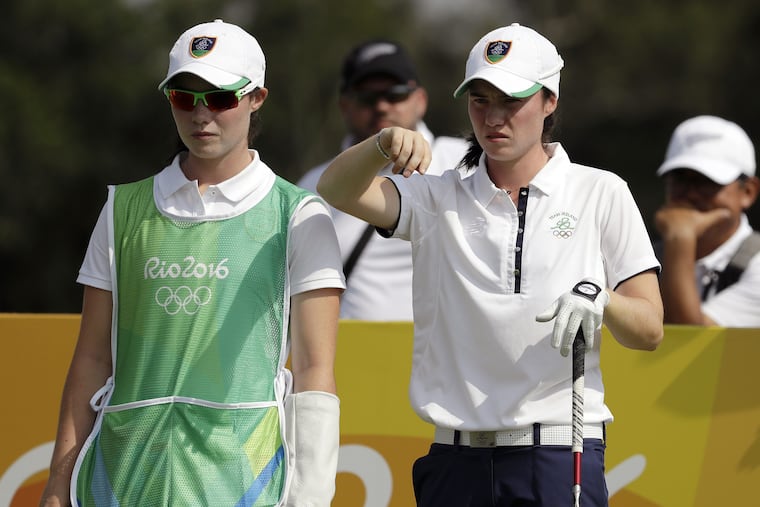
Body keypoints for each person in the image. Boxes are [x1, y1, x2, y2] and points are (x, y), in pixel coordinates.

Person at [318, 23, 663, 506]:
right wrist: (381, 143)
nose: (494, 117)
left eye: (511, 100)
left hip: (561, 450)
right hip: (455, 459)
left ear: (549, 101)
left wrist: (601, 298)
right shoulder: (437, 195)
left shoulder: (601, 191)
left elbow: (648, 330)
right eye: (480, 99)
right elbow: (335, 190)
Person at [40, 19, 344, 507]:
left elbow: (314, 372)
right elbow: (92, 358)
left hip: (243, 484)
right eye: (185, 97)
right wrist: (59, 480)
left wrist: (311, 497)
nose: (202, 115)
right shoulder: (123, 209)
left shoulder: (299, 214)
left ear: (256, 98)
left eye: (220, 98)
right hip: (121, 480)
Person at [298, 39, 467, 320]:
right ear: (344, 105)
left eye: (396, 94)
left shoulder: (465, 162)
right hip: (349, 355)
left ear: (421, 100)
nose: (382, 106)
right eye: (367, 97)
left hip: (447, 356)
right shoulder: (313, 186)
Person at [654, 115, 760, 326]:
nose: (691, 194)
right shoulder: (645, 257)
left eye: (707, 182)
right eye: (680, 179)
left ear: (748, 192)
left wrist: (680, 237)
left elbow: (688, 343)